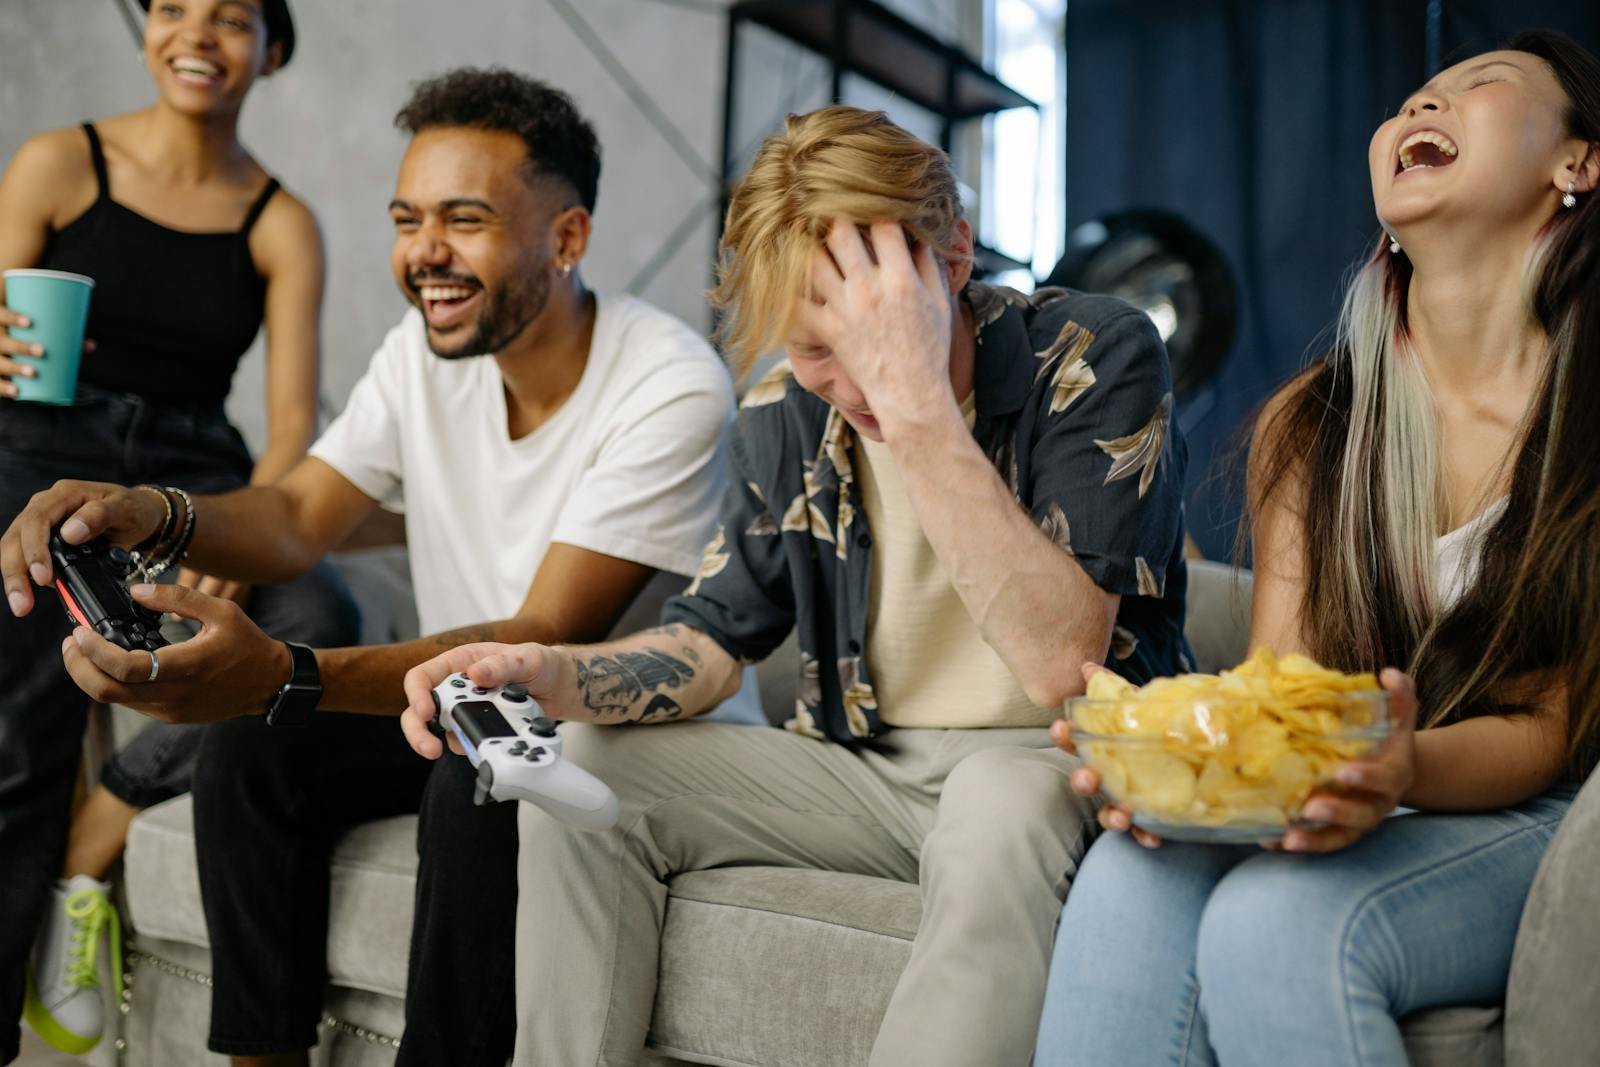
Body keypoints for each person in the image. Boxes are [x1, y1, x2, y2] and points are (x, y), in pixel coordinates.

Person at [400, 104, 1191, 1067]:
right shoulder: (783, 412)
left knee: (995, 802)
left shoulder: (1094, 353)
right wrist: (545, 673)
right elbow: (706, 643)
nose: (845, 381)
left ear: (952, 259)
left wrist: (916, 403)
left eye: (871, 339)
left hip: (1051, 757)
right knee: (593, 765)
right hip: (865, 765)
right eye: (813, 348)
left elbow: (1063, 663)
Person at [1, 68, 758, 1067]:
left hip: (603, 722)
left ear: (567, 237)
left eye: (464, 219)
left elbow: (540, 634)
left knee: (472, 775)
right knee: (249, 751)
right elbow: (295, 517)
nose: (424, 252)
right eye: (408, 218)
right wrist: (152, 511)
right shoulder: (421, 353)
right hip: (440, 705)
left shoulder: (668, 383)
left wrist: (283, 670)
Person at [1034, 29, 1600, 1067]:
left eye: (1477, 87)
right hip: (1375, 785)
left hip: (1549, 811)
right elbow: (1284, 686)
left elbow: (1551, 726)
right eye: (1413, 97)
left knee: (1275, 921)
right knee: (1129, 868)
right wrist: (1179, 764)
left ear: (1578, 164)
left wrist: (1403, 766)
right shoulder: (1316, 419)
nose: (1422, 107)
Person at [0, 1, 360, 1059]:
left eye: (232, 16)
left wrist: (238, 534)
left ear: (272, 47)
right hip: (36, 444)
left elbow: (294, 425)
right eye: (172, 8)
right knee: (20, 715)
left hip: (191, 468)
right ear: (147, 29)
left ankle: (97, 831)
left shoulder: (281, 221)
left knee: (313, 618)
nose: (197, 33)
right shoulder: (60, 162)